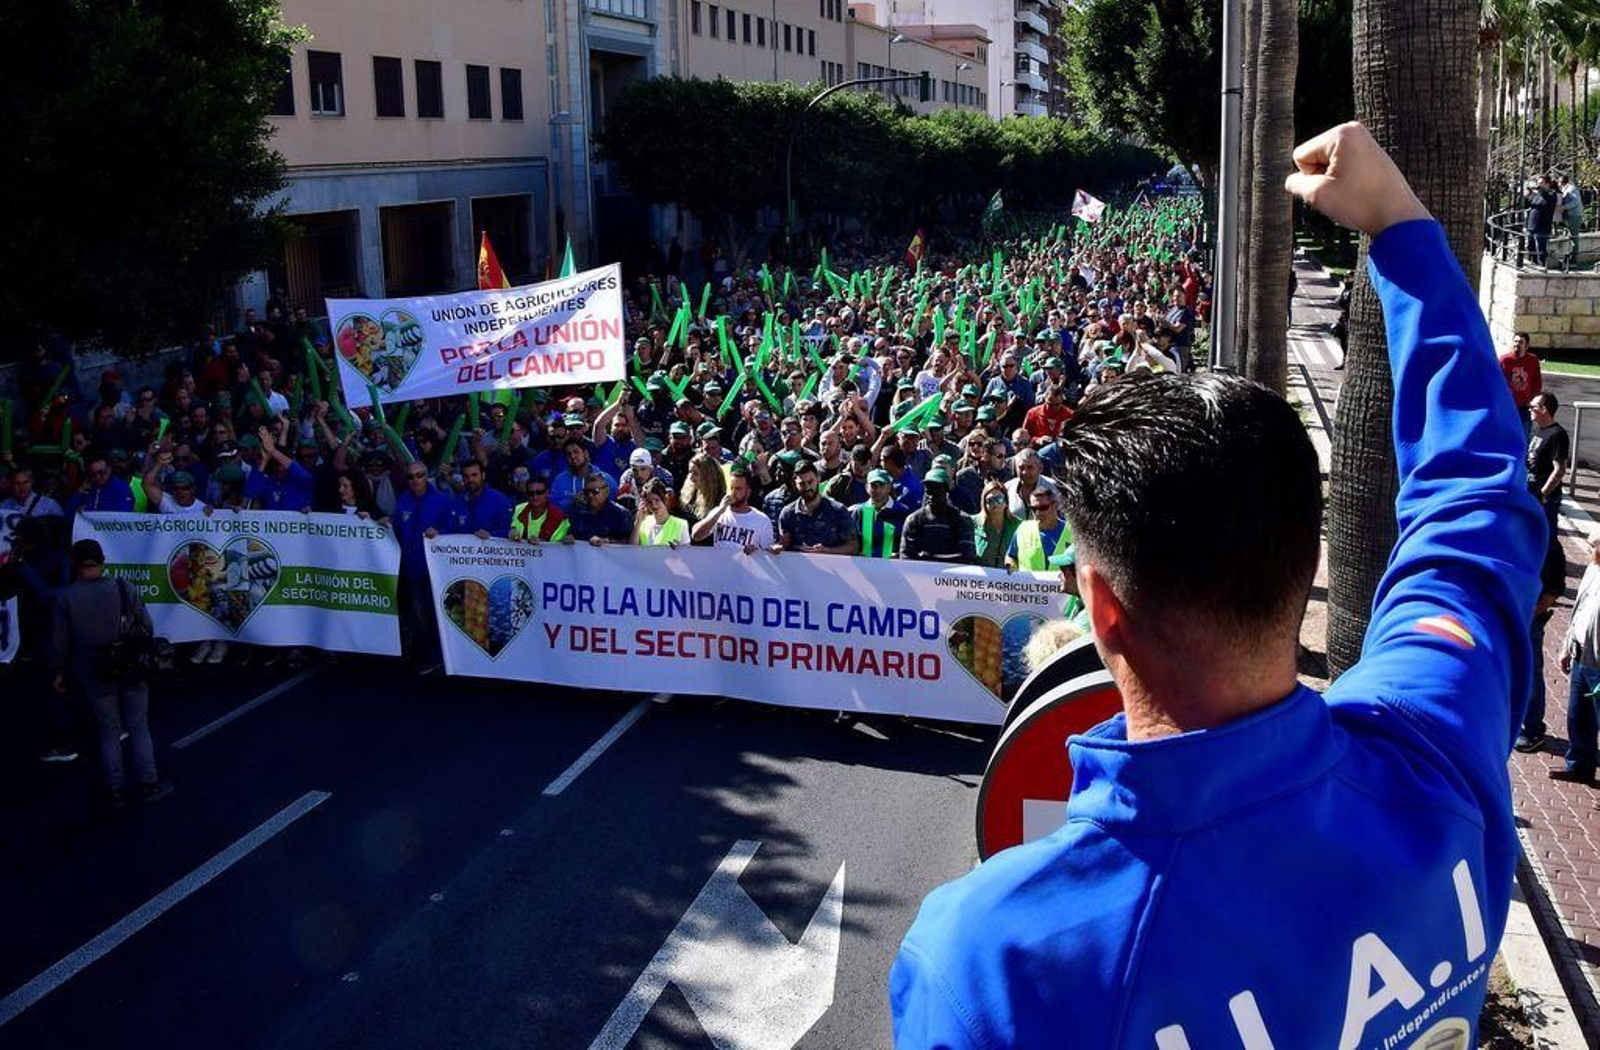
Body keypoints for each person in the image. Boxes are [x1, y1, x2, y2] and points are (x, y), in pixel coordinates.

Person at [891, 122, 1544, 1049]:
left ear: (1102, 609)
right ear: (1305, 559)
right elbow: (1475, 497)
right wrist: (1398, 227)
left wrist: (1397, 224)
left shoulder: (996, 962)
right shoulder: (1433, 733)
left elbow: (1472, 499)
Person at [52, 539, 172, 808]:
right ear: (102, 561)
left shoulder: (65, 598)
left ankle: (115, 789)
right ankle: (149, 783)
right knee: (139, 726)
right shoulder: (122, 587)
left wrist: (60, 672)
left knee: (108, 730)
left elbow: (61, 643)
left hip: (93, 670)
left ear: (75, 564)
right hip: (130, 664)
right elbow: (147, 627)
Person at [1555, 534, 1600, 783]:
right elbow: (1579, 609)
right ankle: (1579, 766)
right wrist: (1566, 646)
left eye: (1596, 543)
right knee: (1578, 717)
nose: (1592, 545)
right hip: (1582, 654)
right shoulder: (1593, 569)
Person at [773, 460, 858, 556]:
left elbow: (853, 546)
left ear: (818, 479)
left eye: (810, 481)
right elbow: (783, 544)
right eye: (802, 484)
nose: (807, 487)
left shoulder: (837, 511)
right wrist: (778, 547)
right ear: (795, 484)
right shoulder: (788, 514)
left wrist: (825, 551)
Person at [900, 468, 976, 563]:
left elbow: (968, 557)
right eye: (928, 489)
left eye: (937, 489)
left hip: (953, 577)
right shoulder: (913, 520)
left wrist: (929, 558)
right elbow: (906, 557)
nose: (931, 495)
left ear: (946, 491)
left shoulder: (962, 520)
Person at [690, 467, 773, 553]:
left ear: (748, 492)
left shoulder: (762, 520)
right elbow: (696, 536)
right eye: (731, 488)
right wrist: (720, 510)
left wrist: (756, 551)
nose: (732, 493)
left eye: (738, 489)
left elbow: (769, 553)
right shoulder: (719, 512)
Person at [1526, 391, 1568, 537]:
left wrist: (1543, 494)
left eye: (1533, 406)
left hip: (1546, 498)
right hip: (1532, 491)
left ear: (1544, 409)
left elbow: (1560, 470)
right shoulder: (1539, 430)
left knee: (1548, 538)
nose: (1529, 409)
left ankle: (1555, 560)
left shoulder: (1557, 434)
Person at [851, 468, 907, 559]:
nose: (877, 490)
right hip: (864, 568)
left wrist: (898, 555)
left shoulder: (902, 512)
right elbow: (852, 542)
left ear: (889, 487)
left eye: (881, 485)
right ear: (866, 488)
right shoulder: (858, 512)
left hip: (893, 569)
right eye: (873, 486)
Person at [454, 459, 513, 539]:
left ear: (483, 475)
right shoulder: (457, 502)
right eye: (466, 476)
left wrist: (491, 535)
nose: (470, 480)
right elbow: (450, 529)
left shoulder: (500, 500)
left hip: (492, 549)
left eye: (474, 475)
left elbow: (509, 531)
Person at [1499, 331, 1541, 438]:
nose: (1517, 344)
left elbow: (1537, 381)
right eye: (1515, 341)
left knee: (1524, 435)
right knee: (1506, 434)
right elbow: (1498, 381)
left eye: (1521, 342)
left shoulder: (1533, 360)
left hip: (1525, 406)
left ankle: (1524, 455)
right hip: (1508, 406)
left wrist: (1534, 400)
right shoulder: (1504, 360)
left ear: (1527, 346)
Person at [510, 478, 569, 543]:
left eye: (539, 493)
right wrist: (512, 534)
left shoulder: (560, 517)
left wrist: (539, 542)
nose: (535, 497)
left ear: (547, 493)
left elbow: (555, 546)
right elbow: (512, 530)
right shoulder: (519, 509)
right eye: (531, 493)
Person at [634, 478, 688, 547]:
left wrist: (679, 549)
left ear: (665, 499)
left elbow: (687, 554)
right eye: (649, 502)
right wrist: (638, 522)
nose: (654, 505)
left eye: (657, 500)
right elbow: (632, 550)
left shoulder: (681, 524)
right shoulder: (642, 523)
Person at [1526, 175, 1557, 267]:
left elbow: (1542, 202)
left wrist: (1537, 193)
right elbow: (1529, 203)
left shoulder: (1551, 194)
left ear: (1548, 184)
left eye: (1541, 184)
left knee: (1541, 248)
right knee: (1530, 247)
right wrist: (1528, 194)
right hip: (1532, 224)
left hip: (1543, 225)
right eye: (1538, 184)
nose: (1539, 186)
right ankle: (1533, 263)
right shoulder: (1536, 194)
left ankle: (1543, 266)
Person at [1558, 174, 1583, 266]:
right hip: (1569, 215)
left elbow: (1576, 201)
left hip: (1574, 216)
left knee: (1574, 237)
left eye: (1558, 181)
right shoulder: (1565, 189)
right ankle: (1570, 256)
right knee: (1570, 236)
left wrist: (1564, 207)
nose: (1558, 183)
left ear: (1562, 182)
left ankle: (1574, 259)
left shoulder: (1571, 189)